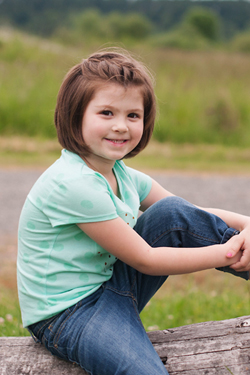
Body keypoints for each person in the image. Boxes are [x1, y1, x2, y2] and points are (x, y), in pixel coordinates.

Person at [17, 49, 250, 375]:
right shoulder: (72, 184)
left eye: (133, 116)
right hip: (68, 314)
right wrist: (227, 252)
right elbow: (146, 259)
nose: (121, 127)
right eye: (107, 113)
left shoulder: (122, 174)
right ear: (76, 115)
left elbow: (187, 215)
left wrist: (245, 225)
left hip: (111, 286)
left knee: (171, 212)